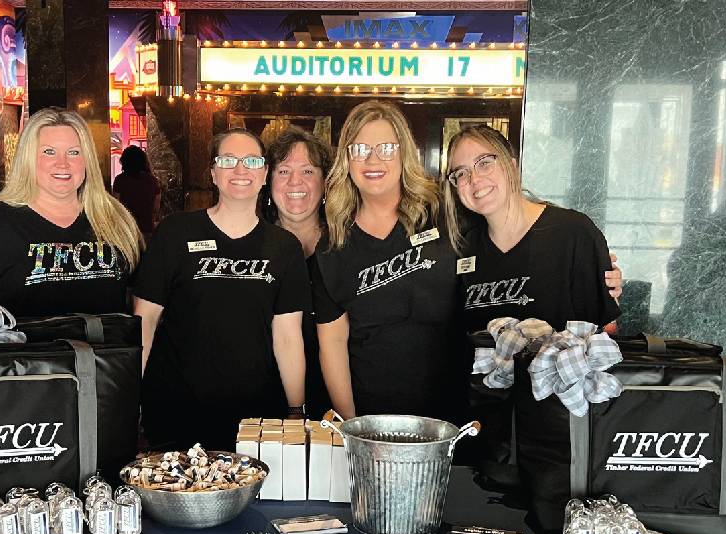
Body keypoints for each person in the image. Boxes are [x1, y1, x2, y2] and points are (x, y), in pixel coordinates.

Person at [133, 128, 309, 449]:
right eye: (228, 160)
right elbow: (144, 321)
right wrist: (130, 399)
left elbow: (287, 337)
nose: (240, 170)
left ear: (265, 173)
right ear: (214, 173)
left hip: (255, 423)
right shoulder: (176, 233)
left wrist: (296, 412)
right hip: (176, 413)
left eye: (251, 161)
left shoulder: (284, 247)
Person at [312, 101, 465, 420]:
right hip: (372, 418)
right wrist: (351, 424)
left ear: (404, 153)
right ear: (347, 160)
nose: (372, 159)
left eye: (385, 147)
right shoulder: (333, 245)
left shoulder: (442, 215)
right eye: (360, 149)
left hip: (449, 415)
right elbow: (334, 344)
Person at [0, 108, 142, 318]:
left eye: (74, 152)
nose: (63, 163)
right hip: (25, 351)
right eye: (49, 152)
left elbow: (142, 306)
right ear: (28, 159)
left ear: (87, 160)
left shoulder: (115, 219)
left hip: (106, 351)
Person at [442, 124, 620, 332]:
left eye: (484, 163)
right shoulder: (464, 246)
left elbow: (606, 334)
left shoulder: (573, 233)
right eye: (461, 173)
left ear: (512, 165)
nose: (474, 179)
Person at [262, 126, 333, 419]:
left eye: (307, 171)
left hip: (337, 398)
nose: (295, 182)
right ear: (267, 180)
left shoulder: (346, 245)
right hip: (263, 401)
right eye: (283, 171)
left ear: (325, 181)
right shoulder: (250, 246)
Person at [113, 145, 161, 237]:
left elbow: (115, 207)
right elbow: (156, 208)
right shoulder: (153, 181)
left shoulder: (120, 180)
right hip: (147, 230)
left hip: (127, 232)